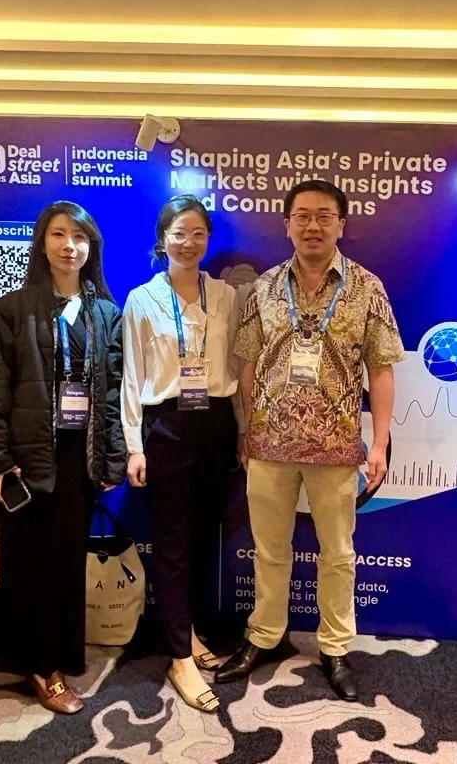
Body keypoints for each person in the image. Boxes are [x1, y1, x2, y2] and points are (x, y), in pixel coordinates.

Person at [215, 180, 404, 701]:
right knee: (269, 550)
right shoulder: (264, 288)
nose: (312, 226)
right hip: (268, 446)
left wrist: (379, 444)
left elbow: (381, 370)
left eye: (324, 216)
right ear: (287, 225)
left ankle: (335, 647)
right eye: (302, 216)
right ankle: (263, 636)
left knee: (338, 554)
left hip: (337, 447)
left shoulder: (367, 288)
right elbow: (247, 365)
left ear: (341, 224)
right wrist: (246, 431)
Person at [0, 201, 126, 714]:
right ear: (41, 243)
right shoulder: (13, 309)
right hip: (23, 459)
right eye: (58, 235)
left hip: (78, 458)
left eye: (79, 237)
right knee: (23, 564)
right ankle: (33, 664)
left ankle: (52, 659)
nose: (68, 246)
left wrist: (110, 460)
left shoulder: (105, 313)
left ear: (91, 247)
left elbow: (112, 394)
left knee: (62, 566)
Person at [121, 194, 243, 713]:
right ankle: (179, 657)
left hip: (216, 423)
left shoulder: (227, 296)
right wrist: (133, 446)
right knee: (171, 541)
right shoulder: (142, 299)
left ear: (208, 239)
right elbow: (131, 378)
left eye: (198, 233)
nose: (189, 242)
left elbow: (237, 368)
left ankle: (188, 631)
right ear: (162, 239)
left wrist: (243, 432)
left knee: (204, 538)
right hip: (166, 426)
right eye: (179, 233)